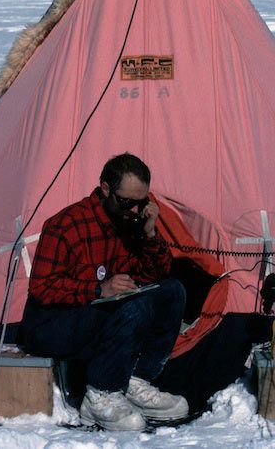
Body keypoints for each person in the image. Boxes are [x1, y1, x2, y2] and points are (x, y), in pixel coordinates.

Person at [19, 153, 188, 431]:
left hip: (102, 314)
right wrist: (98, 289)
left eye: (141, 203)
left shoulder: (128, 223)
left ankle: (135, 381)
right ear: (106, 189)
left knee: (171, 291)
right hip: (52, 323)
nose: (134, 210)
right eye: (127, 202)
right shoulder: (66, 225)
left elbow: (152, 275)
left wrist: (149, 233)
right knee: (130, 308)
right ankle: (101, 394)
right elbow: (41, 288)